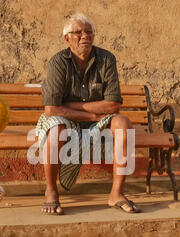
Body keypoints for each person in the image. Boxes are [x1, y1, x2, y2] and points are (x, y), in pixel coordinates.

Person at [36, 13, 140, 215]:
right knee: (55, 129)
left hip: (96, 119)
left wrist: (70, 105)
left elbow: (113, 105)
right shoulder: (58, 62)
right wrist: (92, 116)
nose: (85, 36)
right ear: (67, 38)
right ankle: (51, 192)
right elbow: (52, 109)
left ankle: (116, 194)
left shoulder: (106, 59)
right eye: (78, 32)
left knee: (123, 124)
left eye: (89, 32)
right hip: (67, 120)